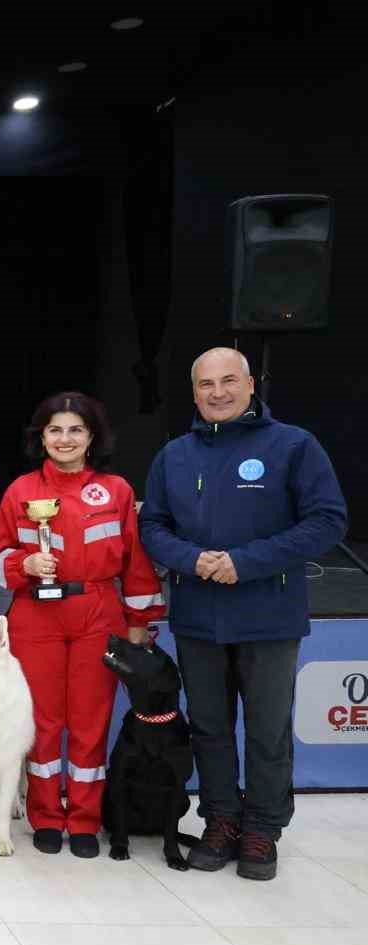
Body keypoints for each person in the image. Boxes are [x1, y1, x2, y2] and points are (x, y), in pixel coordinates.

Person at [139, 347, 347, 880]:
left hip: (269, 616)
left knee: (267, 729)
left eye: (229, 381)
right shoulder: (174, 456)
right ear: (194, 393)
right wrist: (190, 558)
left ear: (251, 385)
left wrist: (245, 563)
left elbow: (326, 521)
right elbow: (153, 527)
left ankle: (262, 829)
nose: (218, 393)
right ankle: (221, 820)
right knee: (208, 726)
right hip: (199, 617)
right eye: (206, 384)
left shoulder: (294, 446)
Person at [0, 392, 164, 858]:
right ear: (41, 437)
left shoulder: (116, 491)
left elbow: (136, 564)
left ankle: (84, 820)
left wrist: (140, 623)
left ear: (91, 438)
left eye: (75, 430)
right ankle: (47, 817)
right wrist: (23, 567)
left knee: (90, 724)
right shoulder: (20, 492)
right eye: (55, 430)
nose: (64, 439)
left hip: (97, 613)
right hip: (35, 616)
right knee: (43, 724)